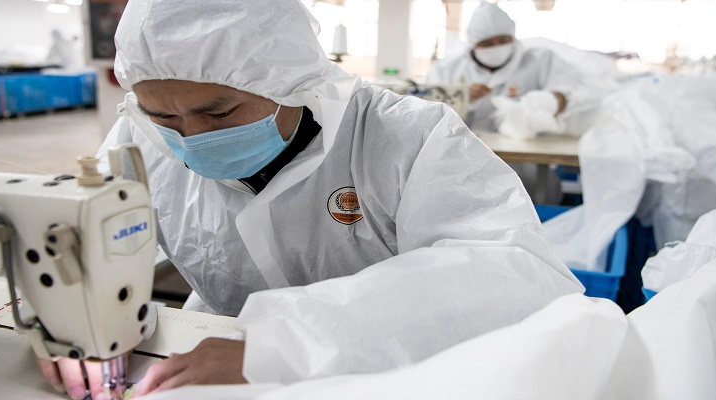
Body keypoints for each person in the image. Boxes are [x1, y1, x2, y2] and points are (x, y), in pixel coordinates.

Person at [37, 0, 583, 398]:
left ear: (289, 79)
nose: (191, 136)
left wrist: (286, 345)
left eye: (219, 113)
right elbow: (82, 244)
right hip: (213, 358)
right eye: (164, 116)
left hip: (393, 372)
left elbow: (514, 273)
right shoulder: (141, 141)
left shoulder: (407, 138)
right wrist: (71, 323)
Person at [425, 1, 582, 135]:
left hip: (526, 161)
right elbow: (426, 110)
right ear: (473, 44)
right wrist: (460, 98)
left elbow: (575, 88)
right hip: (461, 156)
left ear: (512, 36)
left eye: (502, 40)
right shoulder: (447, 68)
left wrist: (554, 100)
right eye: (486, 44)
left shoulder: (541, 60)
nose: (496, 47)